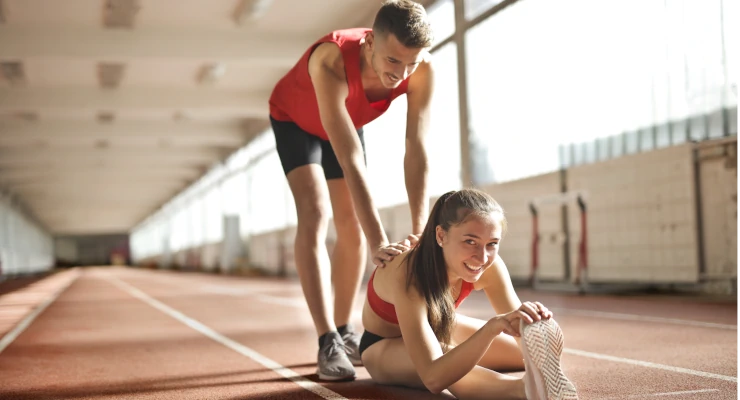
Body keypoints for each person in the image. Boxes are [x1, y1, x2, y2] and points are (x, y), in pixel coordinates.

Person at [268, 0, 435, 381]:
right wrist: (381, 242)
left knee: (351, 223)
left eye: (411, 63)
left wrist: (420, 229)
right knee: (315, 213)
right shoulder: (329, 61)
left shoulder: (421, 70)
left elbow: (417, 149)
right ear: (370, 43)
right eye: (393, 61)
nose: (402, 73)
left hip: (346, 116)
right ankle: (326, 338)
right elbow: (350, 160)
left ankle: (345, 331)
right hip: (296, 120)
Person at [360, 189, 579, 399]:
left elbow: (517, 328)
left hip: (439, 326)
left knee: (522, 353)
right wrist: (492, 328)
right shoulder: (410, 273)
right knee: (446, 365)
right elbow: (433, 378)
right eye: (470, 241)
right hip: (382, 345)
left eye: (492, 244)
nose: (482, 257)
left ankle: (542, 383)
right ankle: (525, 390)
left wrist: (528, 320)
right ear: (441, 235)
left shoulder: (490, 267)